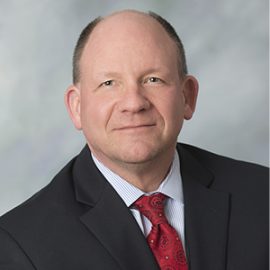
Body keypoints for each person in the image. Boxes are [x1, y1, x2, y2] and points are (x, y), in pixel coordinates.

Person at [0, 9, 268, 270]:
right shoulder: (20, 244)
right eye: (109, 83)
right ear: (76, 107)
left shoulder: (261, 195)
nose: (134, 103)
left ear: (188, 97)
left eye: (153, 79)